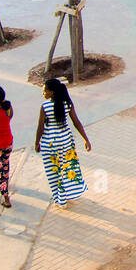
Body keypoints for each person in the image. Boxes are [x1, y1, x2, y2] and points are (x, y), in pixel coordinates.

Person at [36, 78, 91, 208]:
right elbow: (76, 122)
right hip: (66, 141)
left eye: (45, 91)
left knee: (54, 171)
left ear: (52, 93)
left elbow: (40, 127)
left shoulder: (45, 107)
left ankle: (60, 199)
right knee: (66, 169)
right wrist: (86, 139)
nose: (43, 93)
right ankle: (66, 194)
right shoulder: (67, 104)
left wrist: (37, 142)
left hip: (50, 144)